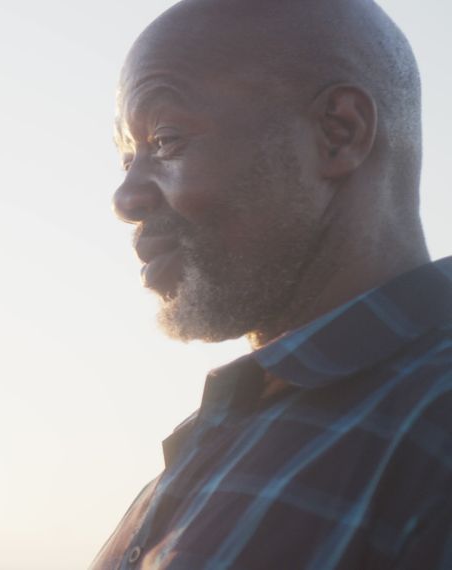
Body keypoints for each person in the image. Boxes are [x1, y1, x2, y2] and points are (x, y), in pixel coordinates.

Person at [94, 0, 451, 568]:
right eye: (127, 156)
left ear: (339, 133)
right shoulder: (230, 430)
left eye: (164, 140)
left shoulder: (434, 421)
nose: (126, 199)